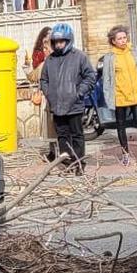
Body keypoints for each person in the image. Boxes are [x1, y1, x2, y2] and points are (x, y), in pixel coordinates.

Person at [36, 24, 97, 174]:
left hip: (74, 105)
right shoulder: (50, 60)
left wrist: (79, 92)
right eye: (56, 42)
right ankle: (67, 163)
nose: (58, 45)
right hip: (56, 106)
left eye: (61, 41)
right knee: (62, 136)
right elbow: (43, 80)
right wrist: (49, 94)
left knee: (77, 136)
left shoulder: (79, 57)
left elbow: (90, 77)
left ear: (68, 40)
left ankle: (79, 163)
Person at [96, 25, 137, 168]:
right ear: (113, 41)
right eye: (119, 39)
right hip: (120, 96)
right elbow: (107, 79)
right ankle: (125, 154)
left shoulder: (135, 52)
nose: (123, 41)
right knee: (121, 125)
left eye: (124, 38)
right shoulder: (110, 58)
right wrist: (109, 97)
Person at [28, 26, 56, 160]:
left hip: (56, 100)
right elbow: (33, 76)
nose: (44, 51)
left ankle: (59, 153)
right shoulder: (43, 64)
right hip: (47, 100)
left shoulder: (58, 63)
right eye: (44, 48)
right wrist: (26, 67)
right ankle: (53, 152)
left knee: (55, 128)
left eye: (46, 48)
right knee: (49, 128)